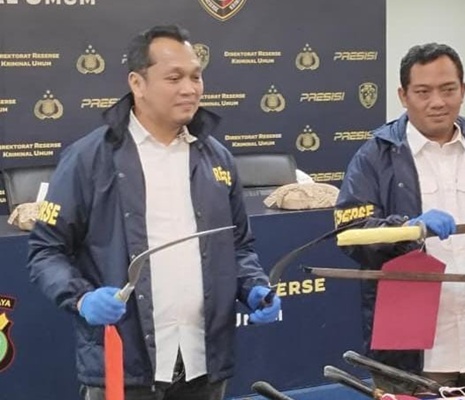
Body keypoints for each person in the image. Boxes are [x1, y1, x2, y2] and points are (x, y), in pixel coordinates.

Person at [27, 25, 281, 400]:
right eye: (174, 78)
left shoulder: (217, 158)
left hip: (204, 364)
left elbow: (237, 246)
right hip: (123, 367)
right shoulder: (88, 159)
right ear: (138, 83)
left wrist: (253, 286)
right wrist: (82, 299)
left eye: (196, 76)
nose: (190, 89)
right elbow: (46, 251)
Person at [335, 43, 465, 394]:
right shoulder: (374, 156)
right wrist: (407, 229)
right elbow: (351, 233)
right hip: (409, 358)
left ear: (463, 90)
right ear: (403, 96)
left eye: (448, 89)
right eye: (423, 92)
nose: (437, 102)